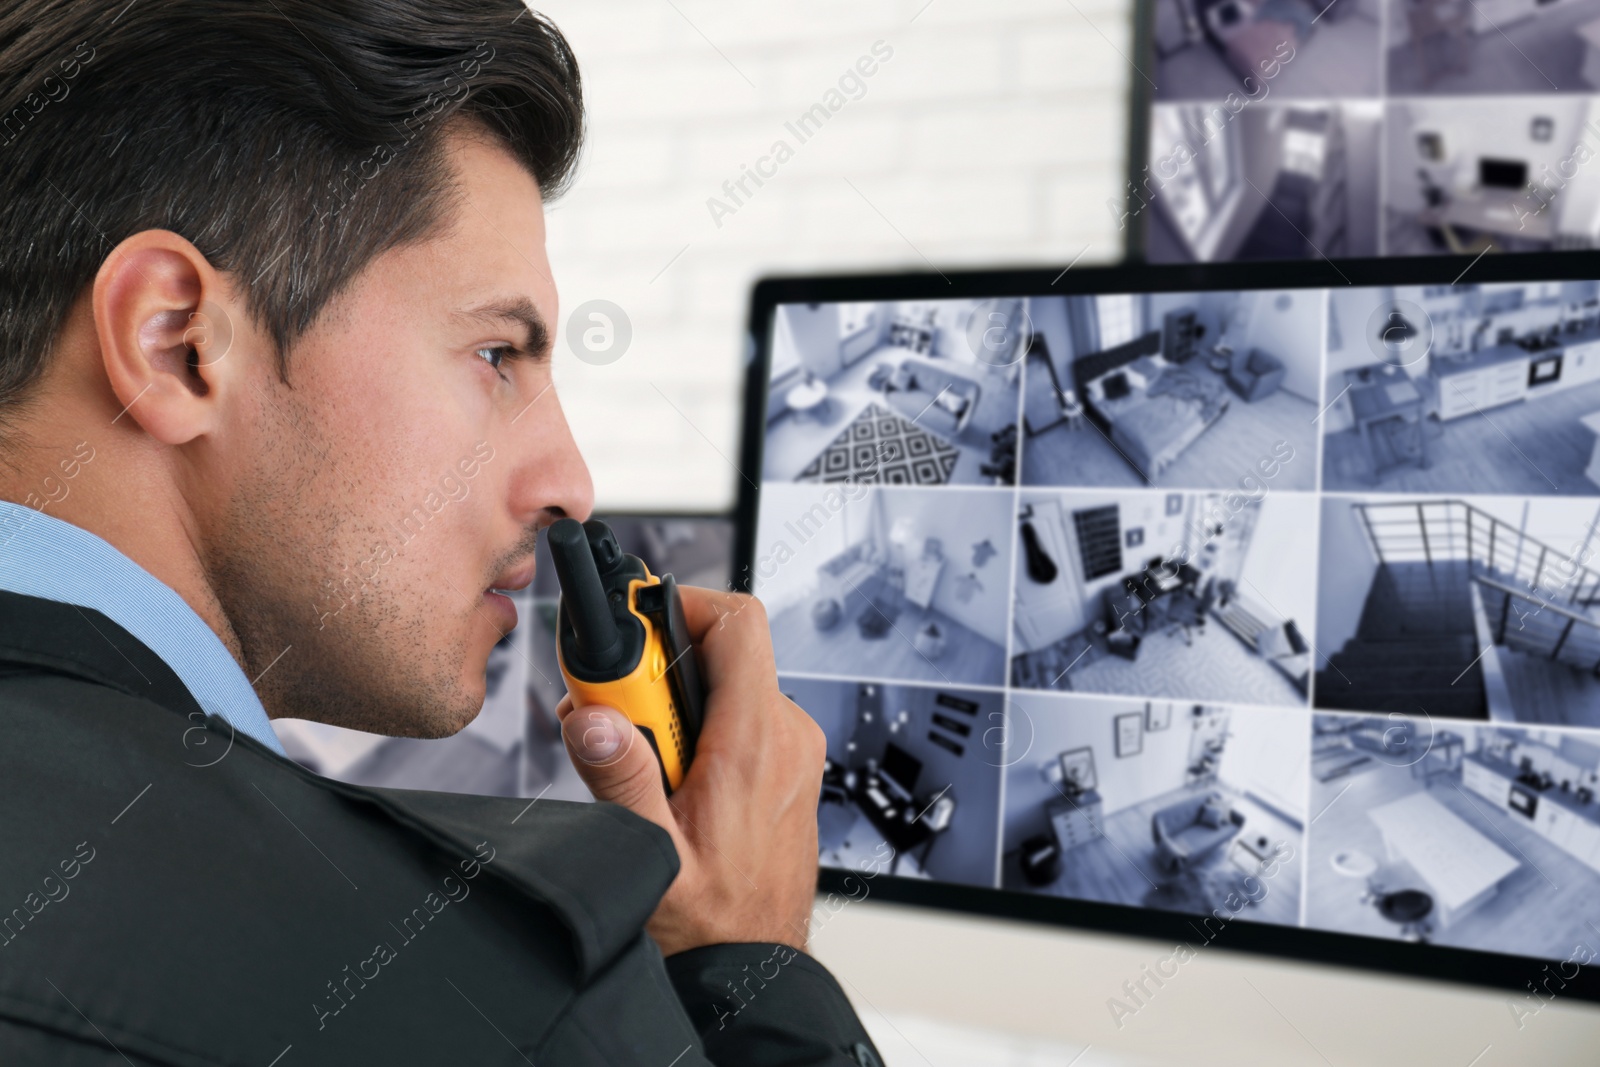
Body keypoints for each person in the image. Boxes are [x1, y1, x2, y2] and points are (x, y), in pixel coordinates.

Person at [0, 2, 883, 1064]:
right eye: (497, 353)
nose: (571, 484)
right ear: (177, 342)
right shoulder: (492, 1001)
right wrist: (747, 963)